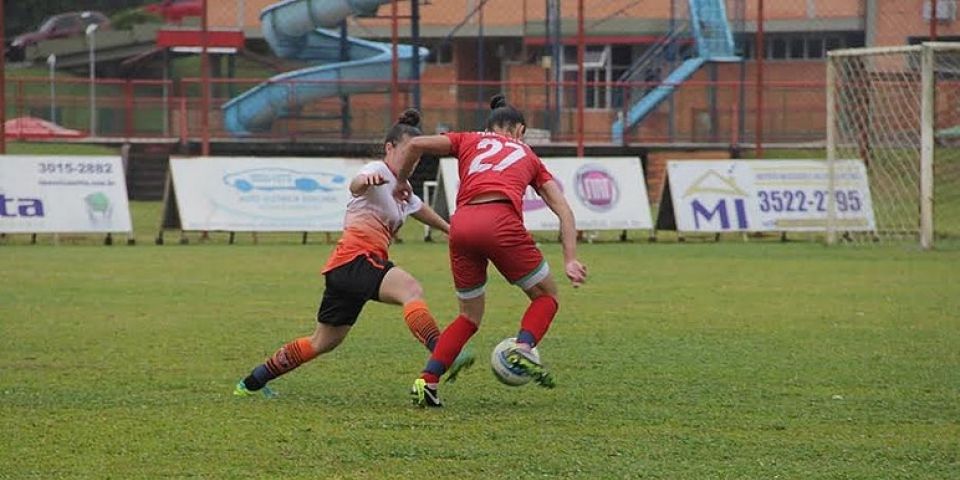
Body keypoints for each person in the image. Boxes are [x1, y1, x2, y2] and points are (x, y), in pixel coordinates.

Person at [234, 109, 475, 398]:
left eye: (419, 155)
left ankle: (252, 382)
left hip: (346, 268)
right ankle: (442, 352)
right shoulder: (377, 171)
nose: (415, 159)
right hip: (357, 259)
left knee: (323, 341)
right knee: (410, 289)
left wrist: (450, 229)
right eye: (410, 152)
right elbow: (356, 184)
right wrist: (366, 182)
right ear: (390, 148)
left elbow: (419, 209)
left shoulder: (403, 187)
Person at [392, 94, 588, 407]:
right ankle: (522, 349)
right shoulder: (529, 156)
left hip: (462, 224)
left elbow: (413, 146)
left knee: (469, 316)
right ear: (520, 130)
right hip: (500, 221)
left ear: (488, 127)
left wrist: (401, 182)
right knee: (546, 296)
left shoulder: (468, 139)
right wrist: (570, 259)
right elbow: (563, 210)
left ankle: (427, 381)